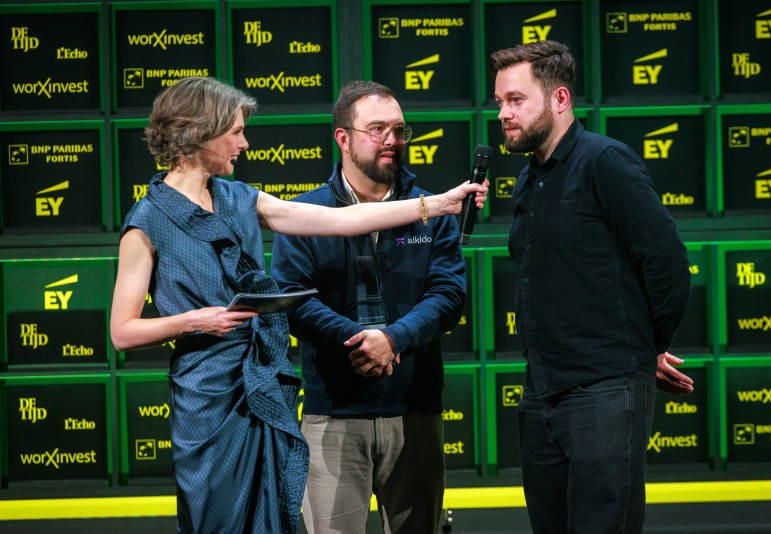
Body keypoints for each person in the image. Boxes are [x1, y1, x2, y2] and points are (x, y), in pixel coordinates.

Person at [108, 76, 487, 534]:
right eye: (236, 132)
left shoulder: (238, 197)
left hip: (261, 385)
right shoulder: (147, 219)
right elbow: (122, 332)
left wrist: (439, 204)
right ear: (201, 132)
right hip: (207, 395)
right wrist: (195, 320)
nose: (245, 143)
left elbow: (342, 221)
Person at [490, 41, 694, 534]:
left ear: (560, 98)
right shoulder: (528, 179)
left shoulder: (606, 161)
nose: (503, 114)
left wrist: (648, 347)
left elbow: (667, 260)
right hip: (541, 394)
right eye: (499, 102)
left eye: (516, 100)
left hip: (604, 392)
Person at [269, 80, 465, 534]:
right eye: (377, 130)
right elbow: (293, 299)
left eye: (399, 130)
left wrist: (393, 339)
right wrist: (359, 341)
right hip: (332, 414)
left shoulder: (430, 210)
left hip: (414, 412)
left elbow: (448, 296)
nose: (392, 140)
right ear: (343, 138)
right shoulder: (305, 213)